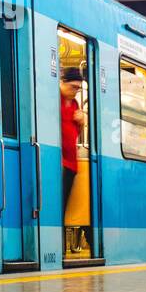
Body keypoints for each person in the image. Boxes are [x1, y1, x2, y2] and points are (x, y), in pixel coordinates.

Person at [58, 68, 87, 212]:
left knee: (64, 209)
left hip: (71, 166)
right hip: (59, 163)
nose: (75, 91)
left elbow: (76, 133)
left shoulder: (75, 104)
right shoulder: (56, 100)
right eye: (73, 87)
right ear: (63, 83)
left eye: (78, 88)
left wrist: (82, 123)